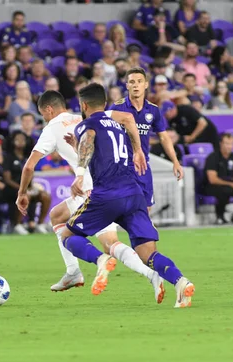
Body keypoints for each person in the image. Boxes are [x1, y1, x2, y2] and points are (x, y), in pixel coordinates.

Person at [16, 89, 165, 303]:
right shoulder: (83, 117)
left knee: (109, 244)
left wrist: (22, 193)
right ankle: (73, 272)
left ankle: (148, 274)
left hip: (93, 190)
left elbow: (30, 166)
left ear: (48, 110)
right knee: (57, 216)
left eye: (43, 114)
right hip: (111, 183)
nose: (44, 118)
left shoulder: (52, 128)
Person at [61, 84, 194, 307]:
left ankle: (101, 259)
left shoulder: (86, 125)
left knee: (67, 235)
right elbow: (102, 152)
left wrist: (79, 174)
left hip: (107, 196)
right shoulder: (117, 125)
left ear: (83, 105)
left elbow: (89, 140)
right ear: (104, 104)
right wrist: (139, 150)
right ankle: (181, 282)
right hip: (133, 194)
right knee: (148, 254)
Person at [110, 67, 184, 210]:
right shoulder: (117, 108)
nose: (136, 85)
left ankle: (141, 232)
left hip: (143, 167)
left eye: (139, 81)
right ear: (127, 86)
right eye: (132, 82)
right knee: (125, 208)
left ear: (146, 85)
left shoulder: (153, 110)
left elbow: (164, 137)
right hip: (122, 166)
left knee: (146, 209)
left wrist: (175, 161)